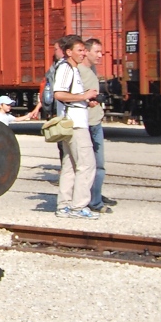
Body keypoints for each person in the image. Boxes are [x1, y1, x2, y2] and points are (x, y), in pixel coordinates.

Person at [53, 34, 98, 220]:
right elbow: (59, 94)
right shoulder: (66, 69)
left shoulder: (71, 68)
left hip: (73, 120)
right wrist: (84, 96)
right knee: (86, 165)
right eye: (80, 50)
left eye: (84, 50)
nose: (84, 53)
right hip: (75, 124)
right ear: (69, 52)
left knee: (70, 165)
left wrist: (86, 102)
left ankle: (64, 205)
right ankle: (78, 206)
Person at [83, 37, 114, 213]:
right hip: (84, 123)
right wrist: (87, 100)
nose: (100, 56)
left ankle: (96, 200)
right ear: (86, 52)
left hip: (96, 122)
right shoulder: (78, 71)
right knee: (85, 165)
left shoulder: (92, 70)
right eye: (97, 52)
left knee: (99, 164)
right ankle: (87, 201)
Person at [27, 41, 66, 120]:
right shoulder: (55, 68)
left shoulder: (59, 68)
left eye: (55, 49)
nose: (54, 52)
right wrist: (37, 108)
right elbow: (48, 91)